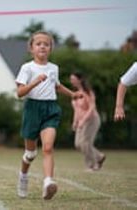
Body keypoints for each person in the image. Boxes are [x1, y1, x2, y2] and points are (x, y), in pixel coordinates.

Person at [15, 30, 76, 200]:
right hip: (32, 109)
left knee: (48, 147)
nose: (42, 46)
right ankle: (23, 176)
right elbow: (19, 92)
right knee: (31, 154)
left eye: (46, 44)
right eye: (38, 43)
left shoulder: (54, 68)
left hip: (51, 109)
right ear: (31, 48)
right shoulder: (27, 68)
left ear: (51, 48)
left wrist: (73, 94)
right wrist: (35, 82)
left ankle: (48, 182)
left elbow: (56, 86)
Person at [70, 72, 105, 171]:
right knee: (78, 144)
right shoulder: (75, 94)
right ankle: (99, 156)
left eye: (73, 79)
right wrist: (75, 122)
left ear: (80, 80)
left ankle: (92, 165)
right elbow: (76, 110)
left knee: (85, 143)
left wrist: (84, 120)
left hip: (92, 120)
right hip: (81, 121)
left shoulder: (88, 92)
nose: (71, 81)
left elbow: (92, 108)